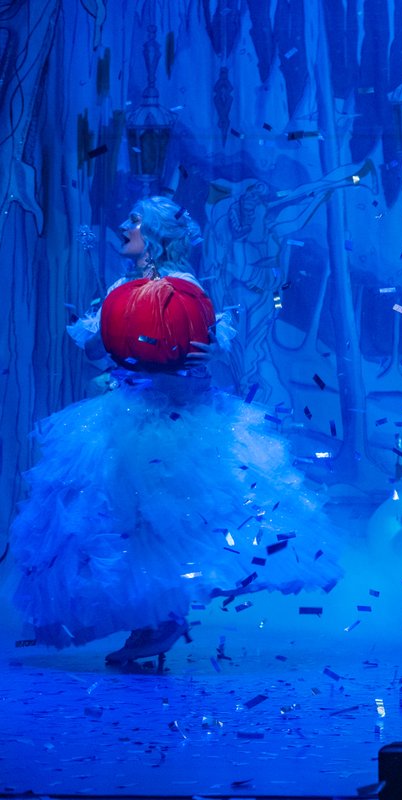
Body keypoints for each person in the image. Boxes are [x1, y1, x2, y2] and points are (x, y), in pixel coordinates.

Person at [9, 196, 340, 667]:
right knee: (119, 524)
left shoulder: (183, 291)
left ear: (159, 236)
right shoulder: (122, 289)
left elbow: (201, 360)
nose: (125, 225)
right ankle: (151, 620)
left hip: (176, 421)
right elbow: (99, 355)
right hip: (125, 414)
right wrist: (105, 340)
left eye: (137, 221)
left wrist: (203, 360)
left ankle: (163, 618)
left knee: (165, 521)